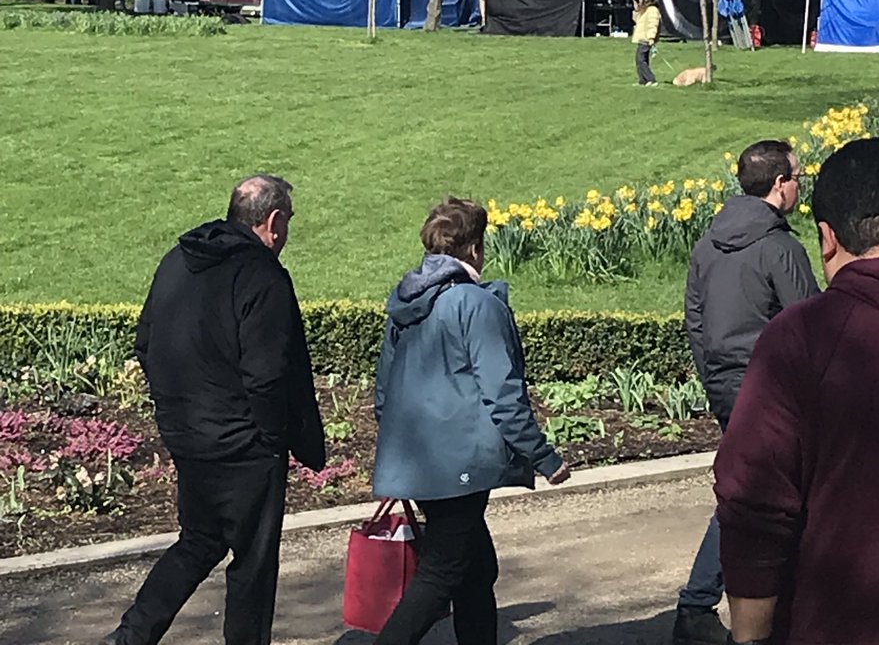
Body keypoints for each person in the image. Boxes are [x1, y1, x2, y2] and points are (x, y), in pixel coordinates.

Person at [103, 175, 325, 645]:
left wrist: (178, 411)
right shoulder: (262, 276)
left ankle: (131, 636)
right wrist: (274, 436)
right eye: (287, 223)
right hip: (245, 447)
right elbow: (266, 375)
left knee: (199, 542)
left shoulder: (178, 261)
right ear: (273, 220)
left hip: (188, 436)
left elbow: (145, 342)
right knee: (252, 564)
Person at [716, 138, 879, 645]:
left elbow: (753, 496)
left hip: (847, 619)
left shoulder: (805, 335)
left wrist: (749, 636)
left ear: (827, 238)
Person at [372, 197, 570, 645]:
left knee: (476, 569)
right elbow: (502, 393)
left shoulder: (404, 303)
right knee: (442, 573)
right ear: (476, 249)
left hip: (417, 459)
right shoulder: (475, 304)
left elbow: (383, 392)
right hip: (459, 465)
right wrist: (543, 457)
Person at [673, 140, 818, 645]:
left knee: (751, 491)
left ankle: (721, 603)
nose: (801, 184)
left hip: (725, 383)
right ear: (781, 186)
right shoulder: (781, 248)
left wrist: (715, 378)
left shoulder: (707, 243)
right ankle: (697, 604)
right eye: (798, 176)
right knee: (758, 498)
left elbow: (694, 320)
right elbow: (812, 325)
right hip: (773, 391)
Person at [632, 0, 661, 87]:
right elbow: (637, 21)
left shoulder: (653, 10)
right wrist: (636, 10)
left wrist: (651, 38)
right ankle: (643, 80)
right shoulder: (645, 10)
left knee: (640, 59)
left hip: (646, 39)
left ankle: (651, 79)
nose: (640, 1)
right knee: (640, 59)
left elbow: (653, 24)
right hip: (642, 39)